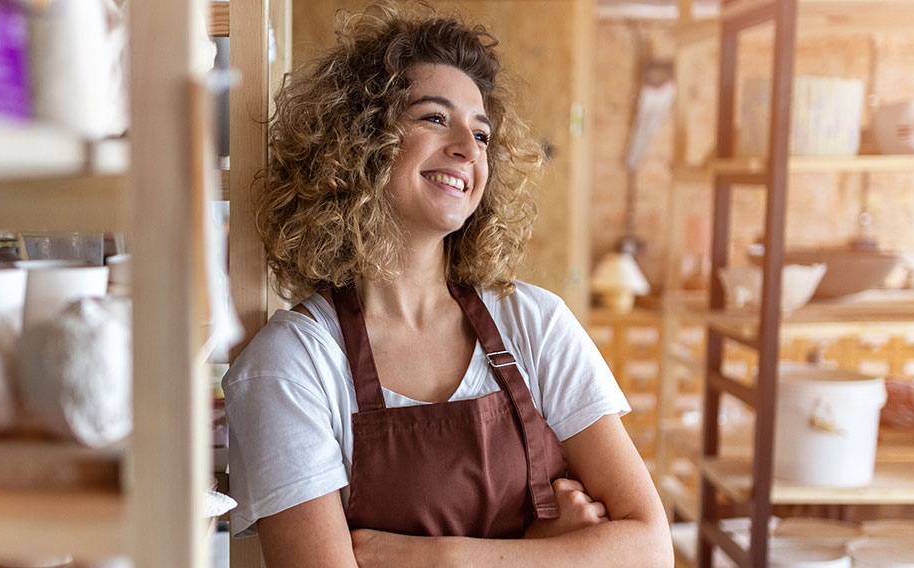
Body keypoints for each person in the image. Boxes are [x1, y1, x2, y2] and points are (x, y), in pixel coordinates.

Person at [222, 2, 671, 566]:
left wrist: (437, 558)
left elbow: (650, 548)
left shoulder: (535, 323)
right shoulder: (292, 365)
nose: (467, 147)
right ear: (359, 140)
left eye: (482, 135)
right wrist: (551, 554)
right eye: (435, 118)